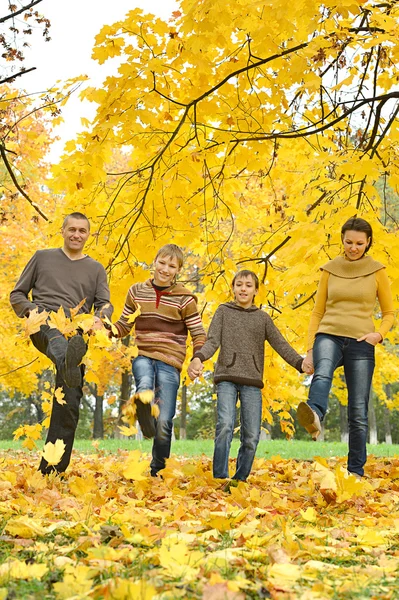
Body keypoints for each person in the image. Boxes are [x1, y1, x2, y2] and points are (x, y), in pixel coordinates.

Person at [10, 212, 113, 475]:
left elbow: (104, 304)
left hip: (78, 332)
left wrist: (101, 319)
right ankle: (67, 358)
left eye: (82, 230)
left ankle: (53, 469)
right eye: (72, 229)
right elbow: (17, 294)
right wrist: (33, 311)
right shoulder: (42, 257)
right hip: (43, 323)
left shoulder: (96, 269)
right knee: (56, 338)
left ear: (88, 235)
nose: (76, 234)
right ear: (63, 230)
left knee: (70, 396)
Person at [188, 269, 309, 484]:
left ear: (255, 290)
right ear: (233, 288)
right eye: (239, 284)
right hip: (226, 376)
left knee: (251, 435)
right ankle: (220, 478)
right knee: (225, 425)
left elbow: (281, 344)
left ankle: (239, 480)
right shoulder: (223, 311)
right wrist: (199, 358)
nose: (243, 289)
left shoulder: (262, 318)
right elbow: (212, 341)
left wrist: (300, 363)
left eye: (248, 285)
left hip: (252, 382)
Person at [297, 217, 394, 478]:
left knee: (358, 409)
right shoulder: (329, 269)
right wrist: (309, 350)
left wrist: (378, 335)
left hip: (362, 341)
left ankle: (355, 472)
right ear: (342, 240)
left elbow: (389, 313)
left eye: (359, 243)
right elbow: (317, 312)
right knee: (323, 369)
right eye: (349, 242)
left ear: (368, 242)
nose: (353, 248)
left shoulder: (377, 270)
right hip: (329, 333)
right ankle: (315, 413)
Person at [111, 244, 206, 477]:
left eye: (171, 266)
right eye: (162, 263)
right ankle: (143, 403)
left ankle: (159, 470)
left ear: (178, 270)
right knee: (144, 379)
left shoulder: (184, 299)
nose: (165, 269)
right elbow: (123, 326)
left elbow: (198, 333)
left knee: (164, 420)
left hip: (170, 362)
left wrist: (197, 358)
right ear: (154, 262)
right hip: (143, 353)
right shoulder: (136, 292)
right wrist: (107, 329)